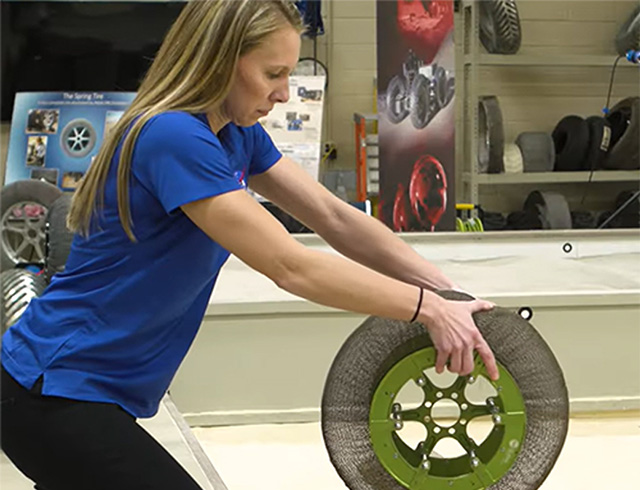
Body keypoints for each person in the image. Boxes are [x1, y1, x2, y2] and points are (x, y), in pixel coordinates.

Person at [1, 1, 498, 489]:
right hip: (51, 387)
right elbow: (289, 265)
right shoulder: (173, 135)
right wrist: (426, 310)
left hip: (86, 393)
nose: (284, 93)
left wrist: (446, 293)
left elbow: (331, 217)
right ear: (219, 61)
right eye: (272, 74)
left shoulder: (237, 134)